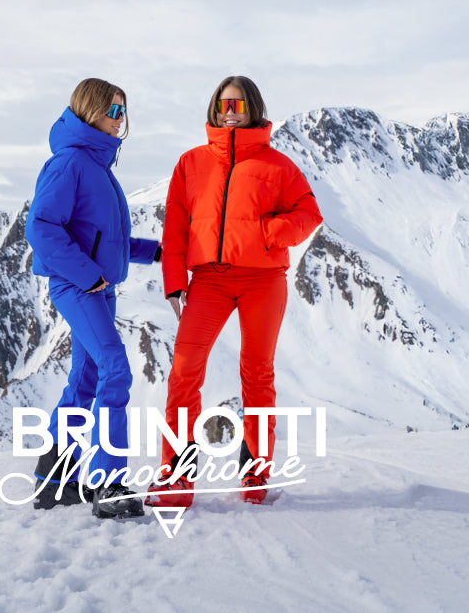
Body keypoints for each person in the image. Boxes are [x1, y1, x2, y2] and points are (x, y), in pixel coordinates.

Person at [146, 76, 323, 507]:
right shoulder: (190, 164)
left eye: (238, 104)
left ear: (252, 108)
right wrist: (175, 283)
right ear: (214, 107)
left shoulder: (278, 166)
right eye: (223, 104)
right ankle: (177, 478)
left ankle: (255, 474)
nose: (229, 112)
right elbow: (175, 229)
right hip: (209, 280)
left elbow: (309, 214)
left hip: (264, 280)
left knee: (257, 374)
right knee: (184, 372)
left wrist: (266, 233)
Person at [25, 78, 161, 519]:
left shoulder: (99, 166)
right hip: (78, 285)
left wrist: (158, 252)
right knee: (115, 369)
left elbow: (106, 241)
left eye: (124, 111)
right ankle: (108, 484)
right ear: (90, 109)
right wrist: (87, 276)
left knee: (85, 380)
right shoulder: (70, 163)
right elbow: (40, 227)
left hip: (99, 288)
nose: (121, 119)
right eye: (113, 110)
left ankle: (54, 482)